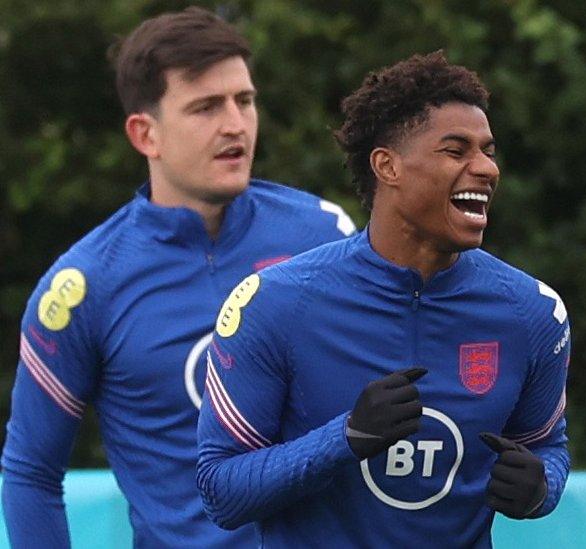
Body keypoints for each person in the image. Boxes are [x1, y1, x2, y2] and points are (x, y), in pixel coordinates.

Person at [1, 7, 355, 548]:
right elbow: (31, 472)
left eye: (245, 100)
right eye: (205, 107)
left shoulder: (326, 235)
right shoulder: (84, 286)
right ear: (146, 134)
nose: (235, 124)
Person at [196, 51, 571, 547]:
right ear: (387, 165)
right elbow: (220, 491)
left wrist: (540, 487)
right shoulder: (276, 305)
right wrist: (346, 438)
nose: (485, 169)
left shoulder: (532, 313)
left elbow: (548, 445)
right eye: (456, 151)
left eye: (488, 150)